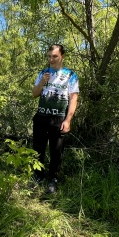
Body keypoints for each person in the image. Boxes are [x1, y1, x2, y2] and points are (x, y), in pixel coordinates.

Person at [31, 44, 79, 194]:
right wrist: (41, 82)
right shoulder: (43, 73)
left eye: (54, 56)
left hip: (59, 118)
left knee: (56, 151)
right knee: (38, 148)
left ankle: (53, 179)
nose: (51, 59)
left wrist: (68, 120)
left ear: (62, 57)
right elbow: (34, 93)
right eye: (49, 56)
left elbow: (73, 99)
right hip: (41, 116)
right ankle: (37, 176)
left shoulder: (70, 75)